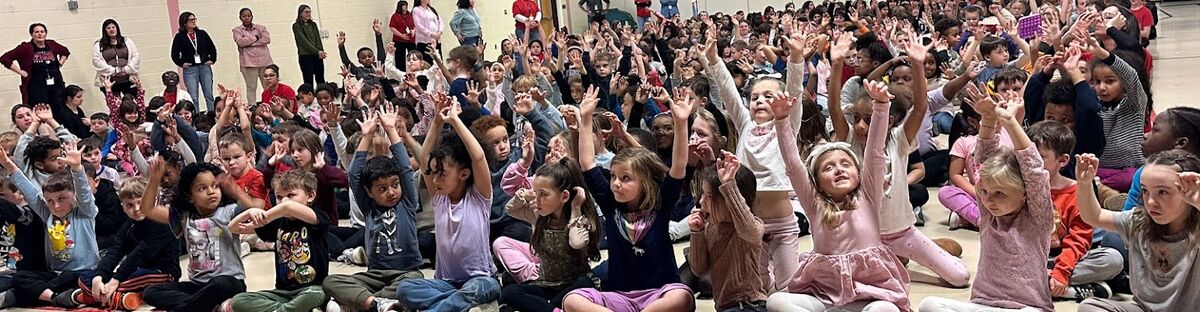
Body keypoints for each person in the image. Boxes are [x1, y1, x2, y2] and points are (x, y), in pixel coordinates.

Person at [765, 81, 910, 311]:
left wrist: (881, 106)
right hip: (826, 296)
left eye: (845, 164)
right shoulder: (814, 204)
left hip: (869, 295)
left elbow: (874, 152)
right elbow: (793, 165)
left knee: (887, 309)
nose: (839, 170)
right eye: (828, 168)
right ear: (817, 182)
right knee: (776, 301)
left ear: (858, 173)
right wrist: (782, 120)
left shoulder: (868, 196)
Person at [561, 87, 695, 312]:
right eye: (613, 176)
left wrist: (681, 123)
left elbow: (679, 166)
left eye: (625, 178)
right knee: (572, 299)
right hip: (619, 298)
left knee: (682, 296)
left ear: (645, 181)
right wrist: (585, 119)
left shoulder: (660, 203)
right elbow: (587, 163)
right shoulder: (610, 202)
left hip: (658, 295)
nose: (615, 183)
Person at [919, 90, 1053, 311]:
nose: (988, 201)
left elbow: (1034, 170)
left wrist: (1010, 122)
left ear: (1025, 193)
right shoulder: (989, 214)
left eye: (1000, 194)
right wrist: (988, 120)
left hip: (1026, 307)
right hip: (984, 305)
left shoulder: (1038, 219)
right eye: (984, 192)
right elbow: (983, 159)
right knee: (928, 304)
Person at [398, 96, 501, 311]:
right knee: (405, 289)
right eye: (434, 173)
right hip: (446, 284)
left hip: (481, 279)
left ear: (464, 174)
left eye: (442, 174)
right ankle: (459, 305)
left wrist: (455, 120)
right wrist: (437, 119)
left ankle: (451, 305)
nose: (435, 180)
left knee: (477, 289)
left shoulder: (479, 197)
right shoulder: (440, 197)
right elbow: (425, 157)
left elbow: (478, 157)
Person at [322, 105, 423, 312]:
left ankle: (362, 303)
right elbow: (354, 175)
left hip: (406, 272)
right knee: (331, 281)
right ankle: (375, 303)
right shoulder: (369, 206)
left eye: (395, 185)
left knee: (415, 281)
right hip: (374, 274)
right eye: (382, 189)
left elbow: (404, 167)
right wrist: (366, 136)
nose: (392, 192)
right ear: (369, 192)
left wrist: (391, 130)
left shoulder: (407, 202)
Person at [1076, 150, 1200, 311]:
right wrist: (1084, 183)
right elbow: (1095, 216)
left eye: (1163, 192)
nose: (1151, 202)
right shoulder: (1138, 221)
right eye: (1145, 191)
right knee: (1089, 307)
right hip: (1143, 308)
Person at [138, 159, 252, 312]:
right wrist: (154, 180)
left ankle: (189, 308)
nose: (211, 191)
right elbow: (147, 209)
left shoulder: (229, 211)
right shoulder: (184, 217)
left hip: (229, 282)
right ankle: (212, 308)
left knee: (220, 285)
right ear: (189, 197)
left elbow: (256, 216)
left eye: (215, 186)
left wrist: (236, 191)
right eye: (202, 188)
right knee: (150, 292)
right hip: (197, 286)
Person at [495, 157, 602, 312]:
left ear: (564, 196)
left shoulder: (581, 220)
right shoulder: (539, 217)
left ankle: (544, 307)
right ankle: (552, 308)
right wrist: (524, 196)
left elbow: (577, 242)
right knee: (510, 292)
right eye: (535, 192)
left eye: (543, 194)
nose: (537, 200)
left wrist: (576, 207)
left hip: (573, 285)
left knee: (584, 283)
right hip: (547, 284)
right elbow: (510, 209)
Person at [4, 141, 100, 308]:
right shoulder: (49, 215)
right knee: (21, 277)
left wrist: (77, 168)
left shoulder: (84, 213)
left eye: (61, 199)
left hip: (83, 273)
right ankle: (58, 297)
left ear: (74, 197)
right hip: (55, 275)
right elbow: (30, 193)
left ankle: (43, 294)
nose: (56, 206)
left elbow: (84, 192)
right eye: (49, 200)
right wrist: (7, 164)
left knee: (27, 291)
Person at [226, 170, 330, 312]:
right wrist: (249, 212)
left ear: (310, 196)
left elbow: (288, 207)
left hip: (312, 288)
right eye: (279, 197)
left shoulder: (317, 217)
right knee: (239, 301)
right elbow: (233, 228)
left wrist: (265, 216)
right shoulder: (278, 222)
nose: (284, 201)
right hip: (282, 292)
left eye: (291, 195)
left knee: (316, 295)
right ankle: (289, 310)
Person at [78, 177, 179, 310]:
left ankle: (89, 297)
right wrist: (99, 276)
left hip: (162, 272)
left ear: (153, 201)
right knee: (85, 277)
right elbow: (115, 250)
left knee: (118, 281)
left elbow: (140, 253)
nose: (136, 209)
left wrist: (116, 279)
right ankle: (118, 298)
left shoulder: (163, 223)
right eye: (130, 205)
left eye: (141, 203)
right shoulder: (129, 225)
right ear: (123, 207)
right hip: (136, 269)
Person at [687, 154, 768, 311]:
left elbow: (747, 227)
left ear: (729, 199)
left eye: (709, 196)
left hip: (750, 304)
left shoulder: (753, 226)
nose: (702, 201)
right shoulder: (710, 226)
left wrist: (729, 185)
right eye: (703, 194)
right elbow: (699, 269)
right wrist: (697, 233)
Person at [1, 23, 70, 107]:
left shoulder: (51, 44)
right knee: (40, 110)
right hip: (36, 88)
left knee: (59, 108)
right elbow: (5, 58)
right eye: (36, 32)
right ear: (32, 34)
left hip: (55, 86)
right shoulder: (25, 47)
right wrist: (20, 72)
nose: (40, 34)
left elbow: (65, 52)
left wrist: (59, 64)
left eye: (42, 31)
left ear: (45, 33)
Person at [170, 12, 218, 112]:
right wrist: (182, 63)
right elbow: (174, 54)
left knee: (209, 94)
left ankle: (212, 115)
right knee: (193, 97)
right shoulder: (179, 37)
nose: (193, 21)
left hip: (204, 67)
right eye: (191, 20)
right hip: (190, 69)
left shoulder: (202, 34)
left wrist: (212, 59)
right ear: (184, 23)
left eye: (194, 19)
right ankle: (195, 116)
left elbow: (212, 48)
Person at [233, 8, 273, 105]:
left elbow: (267, 39)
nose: (246, 18)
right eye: (244, 16)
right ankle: (253, 107)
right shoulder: (237, 30)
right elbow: (241, 42)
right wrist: (256, 37)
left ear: (252, 17)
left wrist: (251, 43)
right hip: (248, 64)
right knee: (251, 87)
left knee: (268, 86)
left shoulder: (261, 28)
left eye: (248, 16)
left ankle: (271, 105)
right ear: (240, 18)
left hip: (265, 62)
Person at [91, 19, 139, 97]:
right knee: (114, 103)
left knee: (132, 101)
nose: (111, 30)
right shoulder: (98, 45)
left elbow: (135, 56)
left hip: (128, 79)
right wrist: (114, 71)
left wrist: (126, 69)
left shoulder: (127, 41)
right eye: (108, 28)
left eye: (113, 27)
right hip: (109, 81)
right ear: (105, 30)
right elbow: (96, 61)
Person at [293, 4, 327, 87]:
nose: (308, 14)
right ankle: (309, 95)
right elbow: (303, 42)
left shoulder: (313, 24)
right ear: (300, 13)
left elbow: (318, 39)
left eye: (309, 12)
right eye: (306, 12)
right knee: (308, 80)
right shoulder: (296, 26)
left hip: (317, 54)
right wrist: (317, 51)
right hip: (305, 56)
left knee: (320, 78)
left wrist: (321, 51)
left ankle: (322, 93)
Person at [389, 1, 416, 71]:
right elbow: (392, 27)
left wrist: (414, 30)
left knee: (414, 56)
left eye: (406, 5)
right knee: (400, 59)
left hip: (410, 40)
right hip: (399, 40)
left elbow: (415, 25)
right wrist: (401, 35)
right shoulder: (395, 16)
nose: (406, 7)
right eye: (404, 5)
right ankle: (401, 73)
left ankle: (414, 71)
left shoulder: (410, 15)